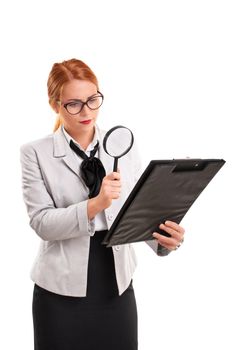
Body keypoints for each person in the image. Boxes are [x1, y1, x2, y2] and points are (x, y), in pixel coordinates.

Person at [20, 58, 185, 350]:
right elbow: (42, 223)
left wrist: (163, 241)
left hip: (116, 288)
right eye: (74, 104)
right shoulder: (35, 153)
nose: (87, 111)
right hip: (59, 294)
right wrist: (95, 204)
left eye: (93, 99)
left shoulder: (122, 144)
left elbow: (136, 210)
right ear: (55, 104)